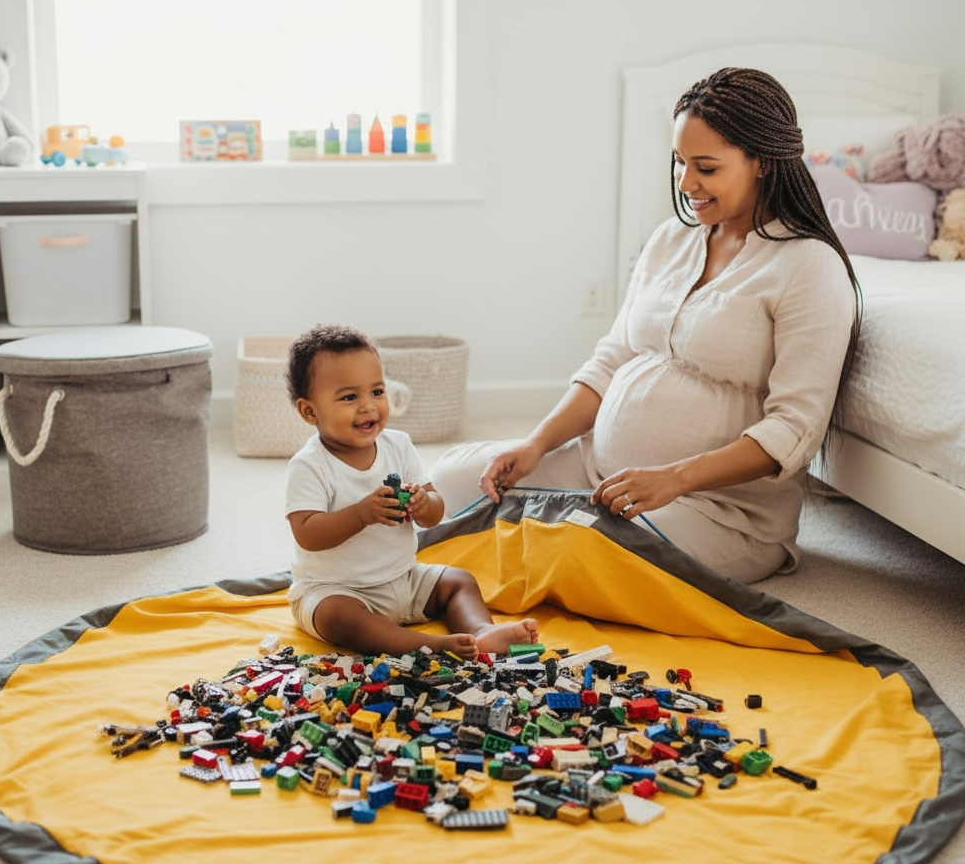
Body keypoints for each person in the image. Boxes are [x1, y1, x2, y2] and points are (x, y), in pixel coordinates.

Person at [431, 67, 860, 583]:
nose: (686, 183)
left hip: (717, 511)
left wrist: (673, 479)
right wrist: (536, 444)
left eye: (706, 167)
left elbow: (793, 430)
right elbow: (612, 359)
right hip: (596, 471)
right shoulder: (670, 240)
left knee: (579, 552)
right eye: (680, 163)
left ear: (763, 162)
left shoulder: (809, 267)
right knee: (450, 480)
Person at [284, 323, 539, 657]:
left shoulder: (398, 445)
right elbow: (307, 533)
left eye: (377, 392)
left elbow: (435, 512)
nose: (368, 406)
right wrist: (361, 514)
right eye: (349, 397)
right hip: (337, 589)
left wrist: (424, 502)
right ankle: (429, 646)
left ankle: (481, 631)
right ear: (309, 411)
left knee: (458, 581)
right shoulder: (310, 465)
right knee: (337, 617)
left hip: (405, 579)